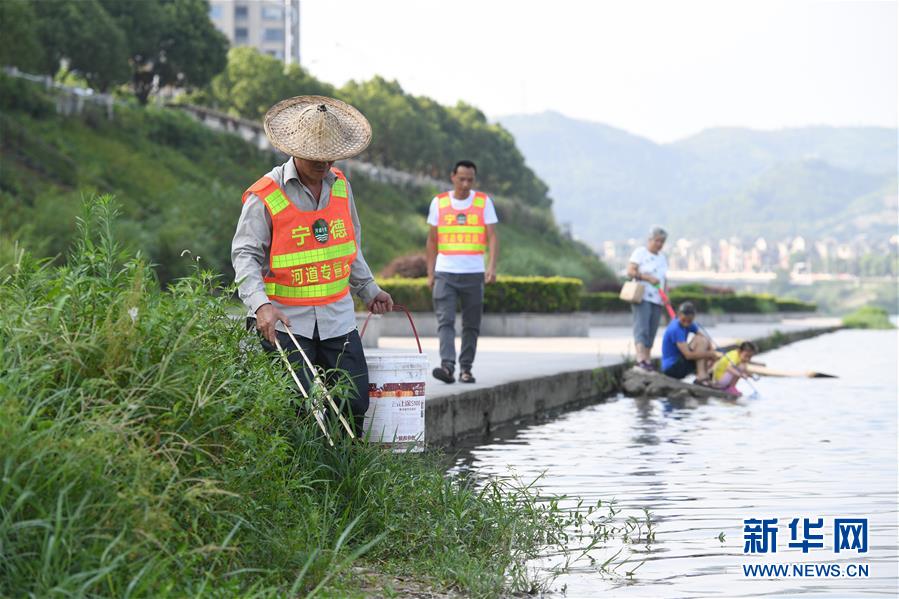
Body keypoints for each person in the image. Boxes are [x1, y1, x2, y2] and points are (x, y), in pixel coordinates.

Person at [231, 95, 393, 435]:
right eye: (315, 155)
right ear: (294, 149)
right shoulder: (266, 195)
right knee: (296, 409)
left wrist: (369, 289)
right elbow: (245, 255)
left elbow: (349, 245)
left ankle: (347, 475)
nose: (324, 162)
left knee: (353, 401)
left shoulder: (341, 187)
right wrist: (261, 306)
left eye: (329, 155)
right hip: (286, 322)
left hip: (337, 317)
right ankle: (299, 481)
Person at [426, 160, 499, 384]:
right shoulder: (438, 203)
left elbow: (493, 236)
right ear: (452, 177)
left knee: (471, 324)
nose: (466, 183)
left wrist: (491, 266)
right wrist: (430, 272)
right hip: (445, 273)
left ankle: (466, 369)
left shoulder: (483, 202)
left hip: (474, 273)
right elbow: (432, 240)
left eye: (470, 179)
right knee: (445, 321)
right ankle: (447, 367)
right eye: (461, 179)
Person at [627, 226, 669, 371]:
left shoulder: (662, 258)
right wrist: (647, 278)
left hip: (657, 298)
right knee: (642, 327)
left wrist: (666, 295)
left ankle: (647, 358)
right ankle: (640, 358)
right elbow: (630, 271)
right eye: (657, 241)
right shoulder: (640, 253)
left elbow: (664, 278)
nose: (659, 244)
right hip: (642, 296)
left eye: (662, 242)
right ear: (650, 240)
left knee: (652, 329)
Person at [660, 302, 718, 383]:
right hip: (671, 368)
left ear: (693, 318)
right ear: (679, 315)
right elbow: (688, 356)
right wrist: (710, 354)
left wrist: (712, 352)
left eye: (689, 320)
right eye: (684, 320)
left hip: (680, 363)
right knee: (700, 341)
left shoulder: (690, 323)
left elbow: (705, 338)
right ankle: (701, 377)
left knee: (703, 340)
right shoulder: (675, 329)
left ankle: (705, 374)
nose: (686, 323)